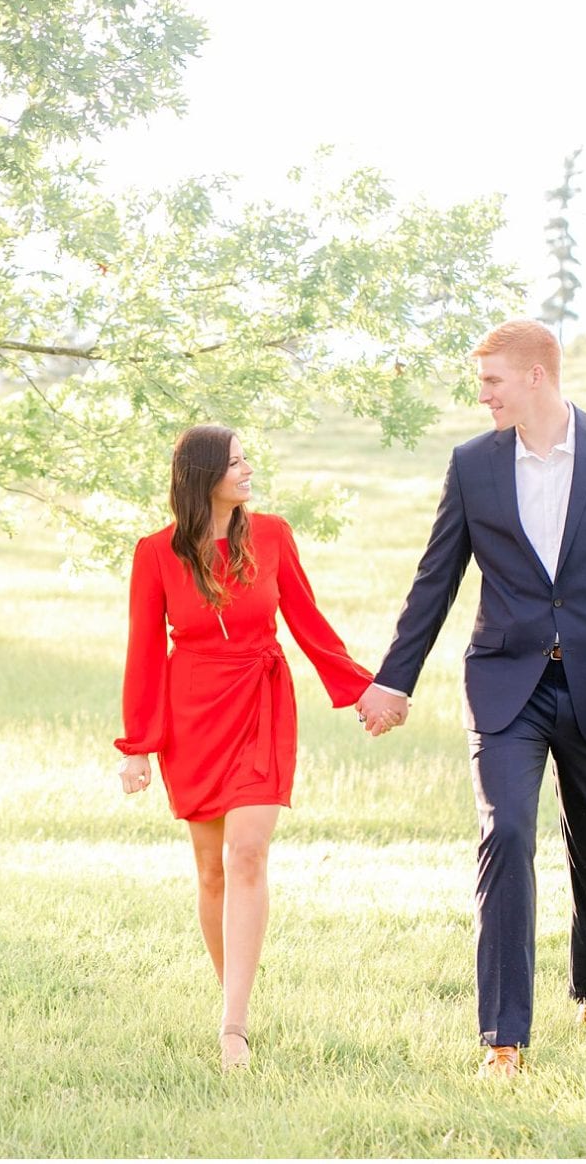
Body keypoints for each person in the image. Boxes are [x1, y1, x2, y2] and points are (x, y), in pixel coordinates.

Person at [357, 319, 586, 1079]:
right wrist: (393, 679)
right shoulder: (473, 465)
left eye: (493, 381)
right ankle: (505, 1039)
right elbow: (435, 581)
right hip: (505, 686)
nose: (482, 395)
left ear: (536, 376)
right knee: (504, 837)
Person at [116, 424, 374, 1070]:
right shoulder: (155, 554)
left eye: (246, 459)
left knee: (248, 852)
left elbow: (310, 624)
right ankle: (235, 998)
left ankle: (234, 1028)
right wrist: (136, 745)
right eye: (236, 462)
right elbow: (144, 651)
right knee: (210, 870)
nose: (248, 469)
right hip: (192, 713)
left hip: (259, 703)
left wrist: (365, 690)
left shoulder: (274, 537)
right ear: (204, 477)